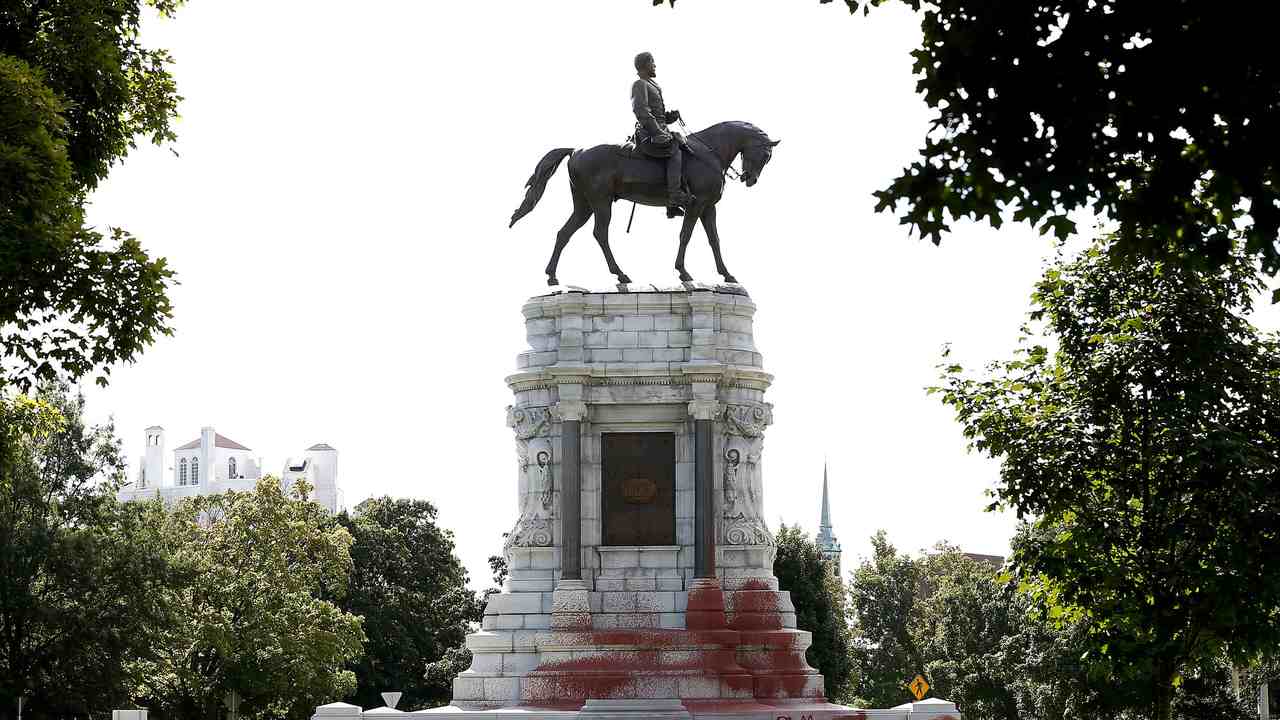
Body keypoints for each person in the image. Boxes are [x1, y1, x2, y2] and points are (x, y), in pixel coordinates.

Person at [631, 51, 694, 218]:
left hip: (659, 130)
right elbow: (641, 111)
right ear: (645, 65)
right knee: (675, 151)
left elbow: (658, 116)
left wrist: (669, 117)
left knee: (682, 144)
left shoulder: (653, 85)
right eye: (652, 62)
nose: (655, 66)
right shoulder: (640, 84)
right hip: (649, 134)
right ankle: (674, 197)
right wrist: (658, 132)